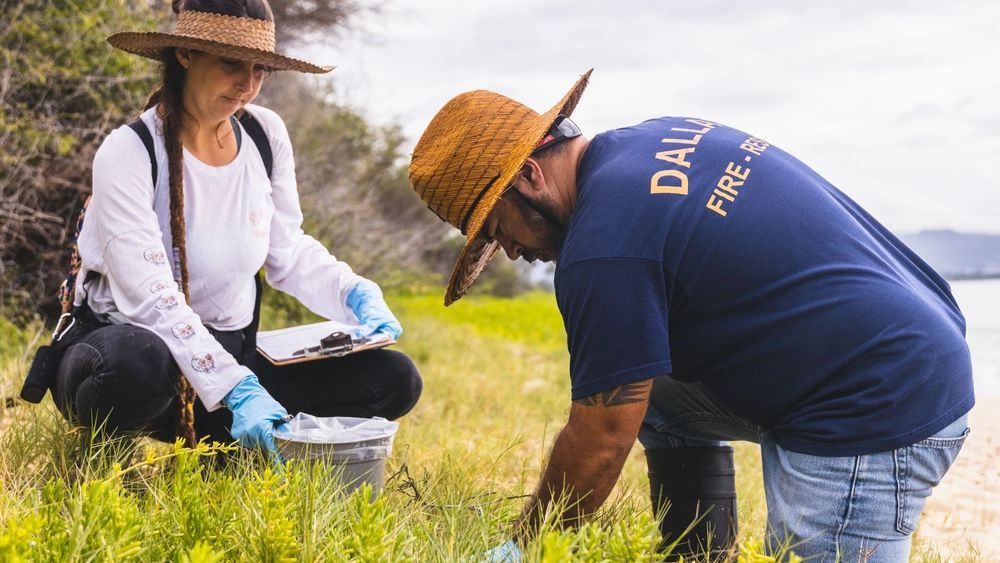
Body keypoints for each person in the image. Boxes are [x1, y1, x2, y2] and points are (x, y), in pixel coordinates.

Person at [407, 69, 974, 562]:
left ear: (529, 176)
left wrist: (526, 547)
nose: (508, 250)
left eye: (495, 227)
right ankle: (697, 556)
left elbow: (602, 436)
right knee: (654, 396)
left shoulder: (604, 247)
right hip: (918, 339)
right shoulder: (658, 136)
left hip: (873, 400)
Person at [50, 0, 421, 454]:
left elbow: (286, 250)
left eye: (260, 69)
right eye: (230, 64)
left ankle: (232, 448)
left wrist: (353, 294)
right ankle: (112, 454)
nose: (247, 85)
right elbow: (150, 297)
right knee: (135, 364)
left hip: (232, 355)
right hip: (134, 353)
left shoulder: (265, 135)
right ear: (185, 55)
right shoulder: (128, 152)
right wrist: (235, 389)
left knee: (394, 379)